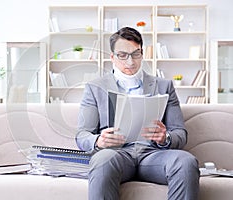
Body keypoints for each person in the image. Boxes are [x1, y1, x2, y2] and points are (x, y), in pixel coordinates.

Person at [76, 27, 199, 200]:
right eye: (122, 55)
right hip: (115, 155)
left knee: (186, 162)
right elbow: (82, 135)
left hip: (153, 156)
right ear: (112, 57)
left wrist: (166, 138)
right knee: (102, 161)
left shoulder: (164, 86)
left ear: (142, 53)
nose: (130, 62)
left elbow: (180, 133)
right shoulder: (95, 88)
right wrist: (98, 140)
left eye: (136, 54)